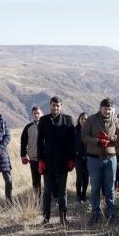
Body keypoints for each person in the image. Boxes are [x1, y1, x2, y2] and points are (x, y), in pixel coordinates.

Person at [37, 96, 75, 226]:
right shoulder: (43, 120)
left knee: (62, 190)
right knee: (47, 190)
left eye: (58, 106)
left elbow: (72, 142)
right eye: (53, 105)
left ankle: (63, 218)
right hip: (48, 161)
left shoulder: (68, 120)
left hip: (63, 161)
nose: (55, 108)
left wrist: (72, 159)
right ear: (50, 106)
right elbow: (39, 142)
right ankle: (46, 218)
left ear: (61, 107)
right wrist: (40, 159)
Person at [81, 98, 119, 225]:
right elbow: (84, 136)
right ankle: (95, 213)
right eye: (105, 109)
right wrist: (97, 141)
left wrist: (109, 139)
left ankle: (111, 213)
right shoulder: (91, 119)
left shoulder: (115, 120)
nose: (107, 111)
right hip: (94, 159)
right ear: (100, 108)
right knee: (95, 188)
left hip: (111, 158)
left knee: (110, 188)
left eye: (109, 109)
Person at [21, 106, 44, 199]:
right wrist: (23, 155)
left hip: (46, 159)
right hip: (34, 159)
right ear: (32, 115)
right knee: (36, 182)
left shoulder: (47, 126)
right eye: (34, 113)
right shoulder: (28, 127)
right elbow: (23, 142)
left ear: (41, 114)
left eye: (38, 113)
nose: (36, 115)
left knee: (50, 181)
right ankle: (37, 200)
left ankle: (50, 199)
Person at [74, 112, 89, 203]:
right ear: (79, 119)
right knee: (79, 176)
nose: (84, 120)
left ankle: (84, 194)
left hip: (88, 157)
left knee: (86, 176)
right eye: (82, 118)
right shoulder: (74, 130)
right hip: (78, 157)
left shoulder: (90, 130)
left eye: (86, 119)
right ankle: (78, 195)